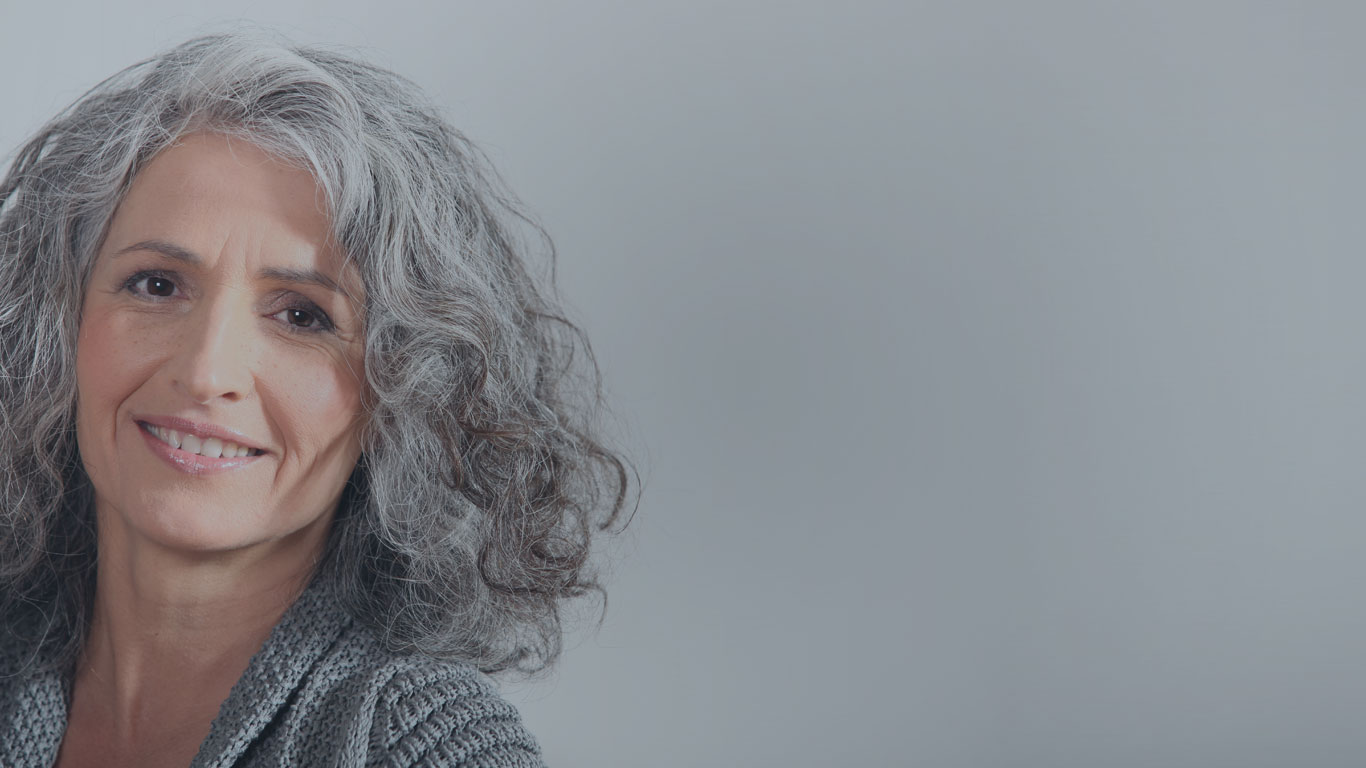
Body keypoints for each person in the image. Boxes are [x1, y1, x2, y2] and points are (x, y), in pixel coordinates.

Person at [0, 30, 633, 768]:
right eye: (158, 285)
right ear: (58, 322)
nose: (207, 373)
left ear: (407, 395)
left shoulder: (429, 749)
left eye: (303, 315)